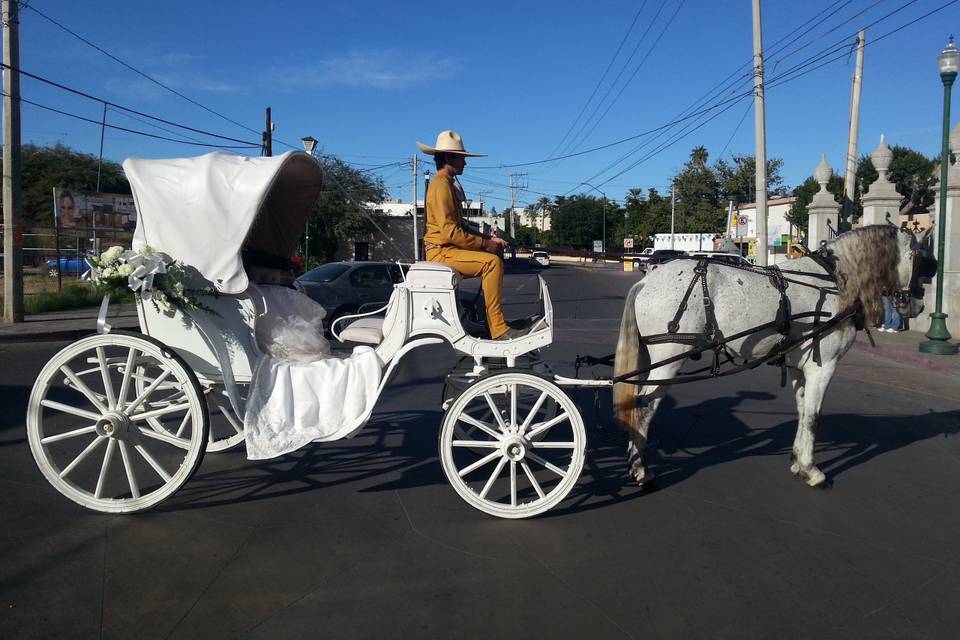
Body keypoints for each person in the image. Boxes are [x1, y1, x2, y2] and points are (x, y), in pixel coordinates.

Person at [417, 130, 522, 340]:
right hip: (440, 252)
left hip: (446, 249)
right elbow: (450, 232)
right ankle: (497, 328)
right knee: (492, 263)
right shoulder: (440, 186)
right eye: (462, 158)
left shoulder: (446, 184)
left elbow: (460, 227)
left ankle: (490, 323)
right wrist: (486, 245)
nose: (465, 163)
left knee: (492, 260)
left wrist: (490, 240)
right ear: (449, 157)